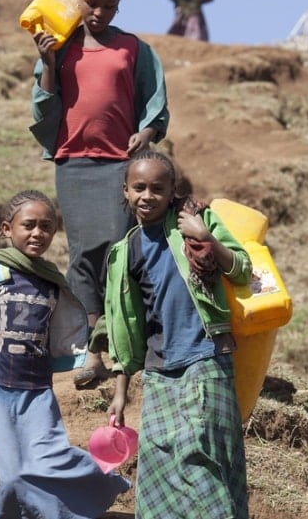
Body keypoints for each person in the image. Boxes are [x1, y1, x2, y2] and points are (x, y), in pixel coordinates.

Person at [0, 190, 130, 519]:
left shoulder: (51, 281)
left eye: (46, 226)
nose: (38, 233)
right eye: (28, 225)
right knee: (12, 475)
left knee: (52, 460)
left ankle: (102, 483)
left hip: (38, 391)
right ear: (7, 229)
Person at [29, 0, 169, 387]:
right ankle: (90, 351)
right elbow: (44, 102)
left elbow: (155, 104)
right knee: (82, 256)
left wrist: (144, 134)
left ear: (118, 4)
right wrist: (48, 60)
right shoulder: (62, 45)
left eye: (108, 5)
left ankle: (122, 349)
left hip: (117, 166)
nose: (99, 13)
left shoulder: (133, 49)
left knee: (116, 251)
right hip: (73, 162)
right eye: (91, 4)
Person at [104, 150, 253, 518]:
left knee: (206, 461)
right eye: (139, 187)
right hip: (159, 372)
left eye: (158, 187)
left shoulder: (196, 221)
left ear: (173, 191)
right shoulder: (125, 252)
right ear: (125, 191)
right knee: (158, 469)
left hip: (206, 359)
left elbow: (243, 270)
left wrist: (206, 238)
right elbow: (126, 327)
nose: (147, 195)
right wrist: (120, 394)